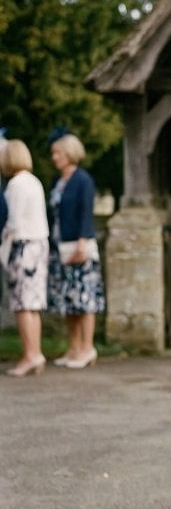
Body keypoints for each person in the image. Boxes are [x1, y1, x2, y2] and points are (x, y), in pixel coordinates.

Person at [47, 130, 105, 368]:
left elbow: (85, 212)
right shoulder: (57, 182)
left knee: (85, 298)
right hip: (60, 245)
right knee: (68, 300)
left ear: (70, 153)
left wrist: (83, 241)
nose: (54, 158)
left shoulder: (83, 180)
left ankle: (87, 347)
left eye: (57, 153)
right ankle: (73, 347)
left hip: (80, 245)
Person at [0, 139, 49, 377]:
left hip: (23, 247)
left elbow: (14, 223)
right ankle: (35, 351)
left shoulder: (16, 185)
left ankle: (31, 354)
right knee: (32, 304)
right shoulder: (33, 181)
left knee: (22, 304)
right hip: (38, 245)